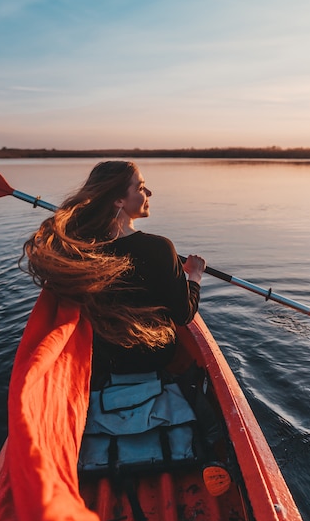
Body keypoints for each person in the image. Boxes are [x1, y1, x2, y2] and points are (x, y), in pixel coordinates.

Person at [20, 160, 206, 382]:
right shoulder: (160, 248)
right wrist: (194, 275)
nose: (149, 192)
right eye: (140, 187)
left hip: (102, 361)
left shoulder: (79, 251)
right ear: (119, 200)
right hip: (155, 357)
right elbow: (183, 315)